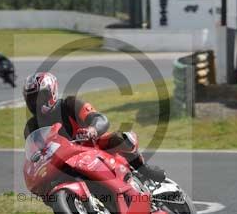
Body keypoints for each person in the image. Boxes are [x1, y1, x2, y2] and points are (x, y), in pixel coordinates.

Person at [22, 72, 166, 182]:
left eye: (41, 97)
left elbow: (99, 119)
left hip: (91, 146)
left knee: (120, 138)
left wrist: (92, 130)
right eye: (32, 99)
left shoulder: (70, 104)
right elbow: (35, 155)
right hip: (63, 163)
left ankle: (144, 170)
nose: (37, 103)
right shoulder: (31, 127)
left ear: (52, 93)